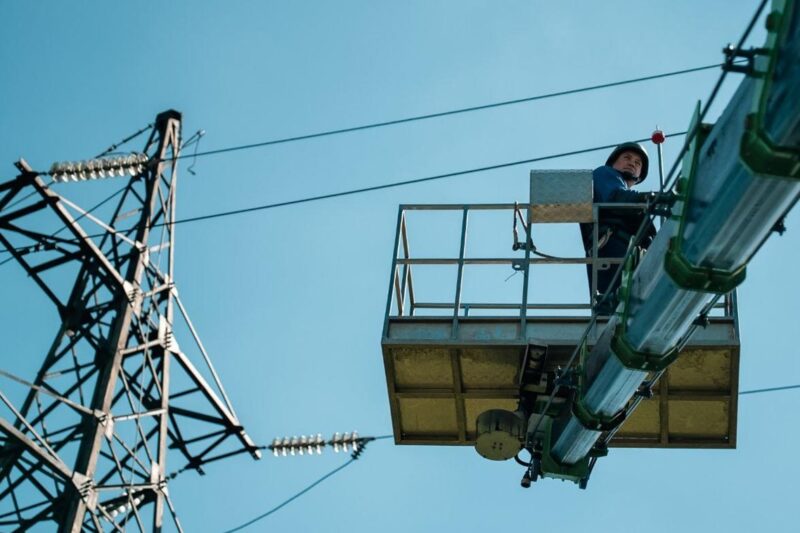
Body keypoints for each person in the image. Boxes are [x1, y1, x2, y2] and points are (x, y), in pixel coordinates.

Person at [580, 142, 662, 314]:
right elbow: (615, 198)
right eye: (627, 158)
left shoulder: (636, 203)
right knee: (617, 308)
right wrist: (650, 199)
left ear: (640, 174)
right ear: (613, 162)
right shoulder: (604, 174)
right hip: (612, 251)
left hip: (629, 257)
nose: (632, 163)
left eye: (638, 163)